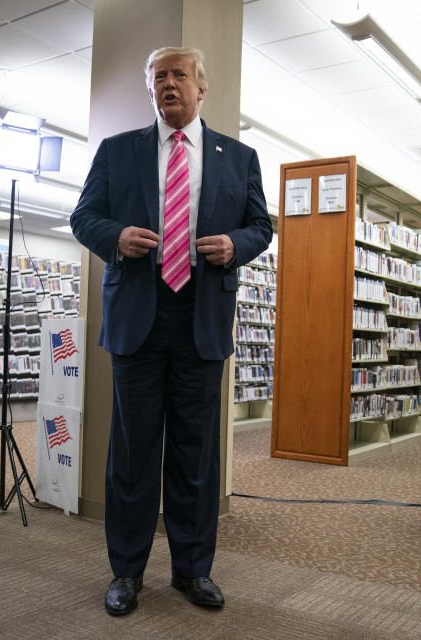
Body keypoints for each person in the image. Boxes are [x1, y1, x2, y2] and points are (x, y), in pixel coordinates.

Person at [70, 46, 272, 615]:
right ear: (150, 89)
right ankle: (126, 574)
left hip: (202, 319)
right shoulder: (118, 152)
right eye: (158, 76)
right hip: (139, 316)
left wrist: (237, 246)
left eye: (179, 74)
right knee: (132, 454)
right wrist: (115, 238)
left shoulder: (238, 157)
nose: (168, 84)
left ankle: (192, 570)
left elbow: (262, 225)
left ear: (201, 88)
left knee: (195, 455)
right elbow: (83, 216)